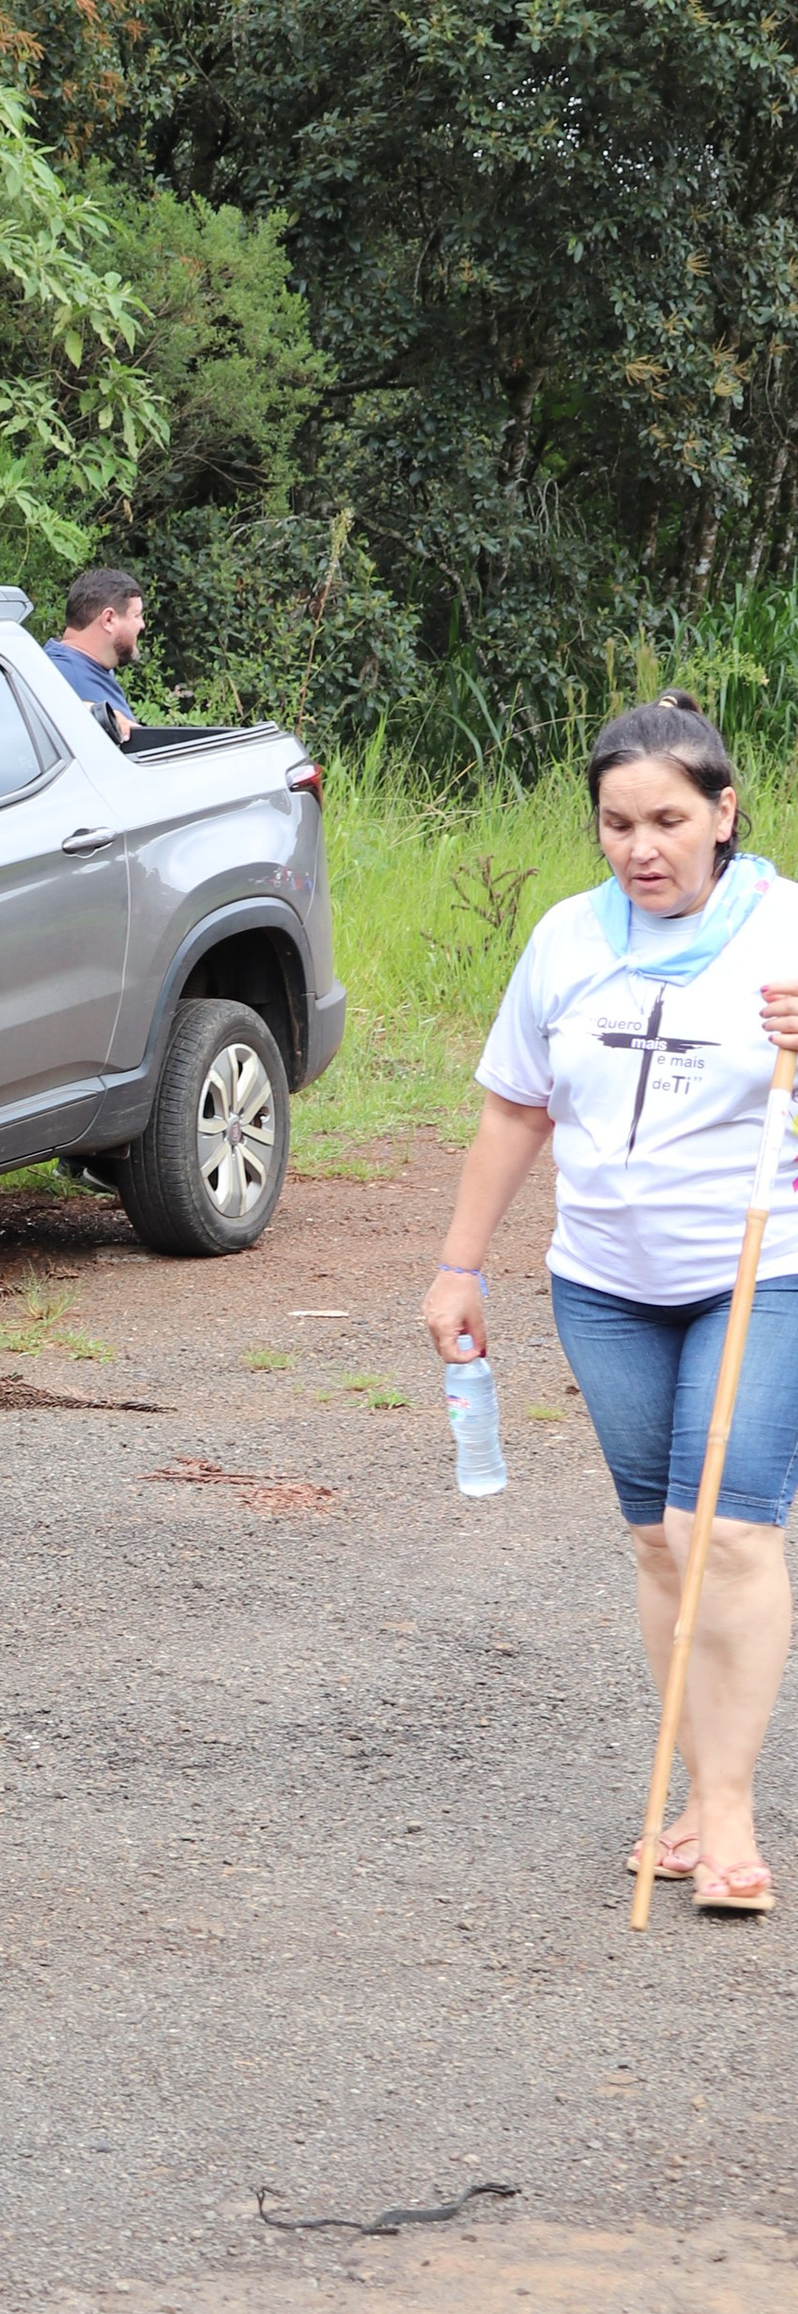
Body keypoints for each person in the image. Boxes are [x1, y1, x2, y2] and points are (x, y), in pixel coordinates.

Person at [423, 693, 798, 1918]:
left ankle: (731, 1814)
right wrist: (458, 1266)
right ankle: (690, 1798)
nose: (641, 847)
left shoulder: (784, 929)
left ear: (723, 813)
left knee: (726, 1532)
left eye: (668, 820)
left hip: (762, 1272)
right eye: (617, 823)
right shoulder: (566, 941)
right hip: (604, 1284)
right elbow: (514, 1110)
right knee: (656, 1539)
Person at [44, 566, 145, 744]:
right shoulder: (59, 675)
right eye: (136, 616)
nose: (142, 625)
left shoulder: (89, 666)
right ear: (108, 619)